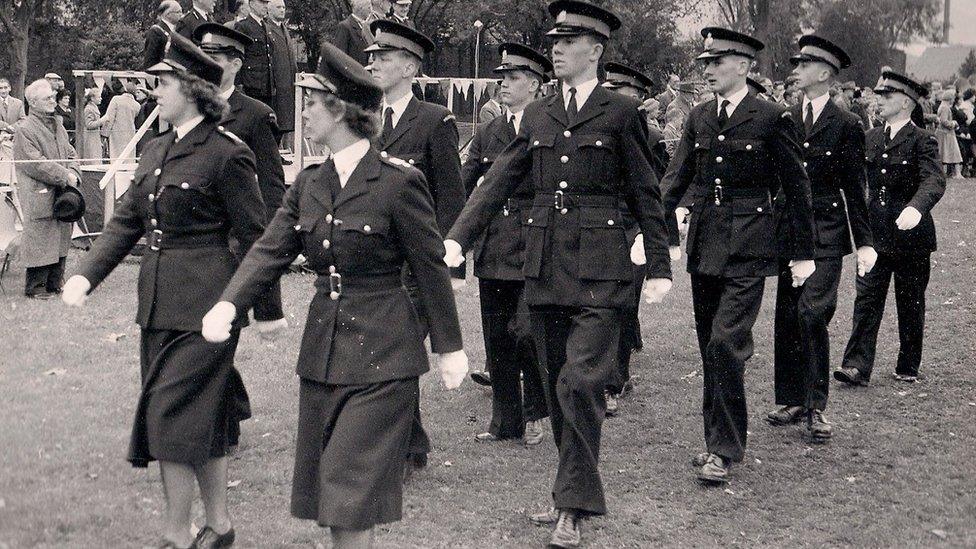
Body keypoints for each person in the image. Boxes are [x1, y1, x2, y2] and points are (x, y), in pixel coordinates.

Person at [199, 43, 468, 549]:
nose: (302, 114)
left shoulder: (397, 183)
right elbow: (268, 251)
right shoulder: (309, 184)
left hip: (384, 351)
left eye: (312, 103)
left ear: (340, 110)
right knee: (331, 489)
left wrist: (449, 346)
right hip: (324, 351)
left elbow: (430, 267)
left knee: (350, 484)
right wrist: (229, 302)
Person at [444, 2, 673, 545]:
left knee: (579, 381)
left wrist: (659, 262)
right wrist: (458, 235)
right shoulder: (542, 113)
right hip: (544, 266)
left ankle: (571, 505)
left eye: (569, 41)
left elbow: (644, 189)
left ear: (595, 50)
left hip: (602, 268)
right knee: (554, 383)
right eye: (555, 40)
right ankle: (576, 490)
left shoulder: (620, 113)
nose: (557, 48)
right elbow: (501, 176)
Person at [60, 35, 265, 549]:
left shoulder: (225, 154)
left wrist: (262, 308)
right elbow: (128, 219)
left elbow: (254, 237)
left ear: (194, 90)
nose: (155, 92)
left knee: (169, 415)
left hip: (208, 307)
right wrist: (86, 273)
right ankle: (219, 526)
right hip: (156, 302)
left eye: (164, 82)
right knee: (204, 414)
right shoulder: (157, 148)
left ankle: (175, 533)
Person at [661, 27, 816, 485]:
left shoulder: (772, 117)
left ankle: (725, 449)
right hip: (706, 242)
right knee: (710, 344)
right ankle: (715, 440)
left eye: (717, 62)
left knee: (726, 342)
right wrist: (650, 227)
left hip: (751, 244)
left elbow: (797, 186)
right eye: (704, 63)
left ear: (744, 66)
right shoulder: (700, 117)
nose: (707, 70)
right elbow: (675, 178)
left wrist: (803, 252)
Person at [365, 19, 466, 474]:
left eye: (384, 59)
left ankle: (402, 448)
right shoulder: (364, 118)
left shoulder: (434, 121)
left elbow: (450, 196)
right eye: (373, 58)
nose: (374, 65)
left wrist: (449, 263)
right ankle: (411, 442)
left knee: (397, 350)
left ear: (409, 66)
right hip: (373, 262)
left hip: (416, 264)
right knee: (388, 351)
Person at [767, 35, 876, 442]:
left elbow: (854, 186)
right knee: (789, 312)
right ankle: (793, 399)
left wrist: (864, 242)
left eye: (803, 63)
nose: (795, 69)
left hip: (827, 232)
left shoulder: (846, 124)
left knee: (813, 312)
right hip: (789, 230)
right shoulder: (786, 117)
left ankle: (815, 406)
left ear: (825, 73)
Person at [461, 42, 550, 446]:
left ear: (534, 84)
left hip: (534, 241)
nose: (504, 86)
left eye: (513, 79)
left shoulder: (547, 124)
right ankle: (505, 420)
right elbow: (467, 185)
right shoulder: (489, 132)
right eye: (502, 79)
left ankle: (537, 412)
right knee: (497, 334)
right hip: (495, 244)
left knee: (527, 332)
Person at [834, 71, 946, 387]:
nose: (879, 101)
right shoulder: (869, 138)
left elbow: (934, 179)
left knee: (910, 303)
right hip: (875, 235)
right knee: (866, 301)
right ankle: (856, 366)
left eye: (886, 96)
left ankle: (908, 365)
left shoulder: (923, 139)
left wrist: (916, 207)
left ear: (906, 102)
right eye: (879, 95)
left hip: (912, 237)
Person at [194, 22, 287, 334]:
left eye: (215, 59)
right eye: (201, 57)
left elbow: (271, 185)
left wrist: (270, 241)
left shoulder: (255, 115)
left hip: (230, 245)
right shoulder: (186, 109)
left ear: (235, 65)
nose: (205, 67)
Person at [601, 61, 667, 416]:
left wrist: (648, 235)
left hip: (631, 228)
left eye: (620, 90)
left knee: (623, 306)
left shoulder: (652, 137)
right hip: (600, 226)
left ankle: (615, 381)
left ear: (638, 97)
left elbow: (652, 190)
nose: (611, 95)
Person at [13, 79, 81, 299]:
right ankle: (36, 287)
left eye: (53, 96)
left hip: (62, 193)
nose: (53, 100)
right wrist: (65, 175)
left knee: (61, 235)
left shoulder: (58, 125)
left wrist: (74, 171)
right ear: (32, 102)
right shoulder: (24, 130)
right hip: (39, 192)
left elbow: (71, 153)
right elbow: (35, 164)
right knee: (41, 236)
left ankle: (54, 283)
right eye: (48, 98)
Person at [235, 0, 277, 109]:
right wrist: (238, 84)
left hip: (267, 85)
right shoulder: (243, 26)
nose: (265, 6)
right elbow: (237, 55)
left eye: (266, 3)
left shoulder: (266, 27)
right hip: (251, 85)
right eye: (262, 2)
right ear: (252, 4)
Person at [267, 0, 297, 150]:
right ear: (269, 9)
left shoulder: (284, 29)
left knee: (284, 123)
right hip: (276, 84)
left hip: (288, 83)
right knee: (275, 122)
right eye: (278, 7)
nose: (282, 10)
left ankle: (277, 152)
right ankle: (274, 153)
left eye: (283, 7)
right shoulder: (267, 28)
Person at [98, 80, 141, 163]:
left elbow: (109, 118)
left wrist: (104, 134)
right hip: (130, 132)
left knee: (116, 157)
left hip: (116, 133)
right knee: (128, 156)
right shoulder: (137, 105)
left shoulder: (116, 100)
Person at [332, 0, 374, 67]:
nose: (371, 11)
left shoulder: (366, 27)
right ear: (361, 8)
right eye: (369, 7)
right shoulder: (345, 26)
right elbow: (339, 56)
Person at [143, 0, 183, 69]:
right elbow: (150, 61)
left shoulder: (179, 30)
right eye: (178, 12)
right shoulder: (156, 31)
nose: (181, 15)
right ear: (168, 14)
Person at [935, 89, 963, 177]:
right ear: (950, 98)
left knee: (944, 154)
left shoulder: (942, 106)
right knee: (954, 153)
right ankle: (958, 174)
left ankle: (945, 173)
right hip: (947, 134)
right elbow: (944, 121)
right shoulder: (945, 107)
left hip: (944, 133)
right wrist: (953, 123)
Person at [81, 88, 104, 163]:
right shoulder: (89, 109)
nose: (101, 98)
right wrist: (102, 121)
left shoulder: (93, 107)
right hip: (90, 138)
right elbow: (89, 124)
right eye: (99, 97)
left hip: (94, 137)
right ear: (92, 98)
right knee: (92, 158)